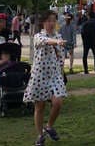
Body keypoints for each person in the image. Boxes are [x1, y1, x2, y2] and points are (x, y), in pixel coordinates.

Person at [24, 11, 67, 146]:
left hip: (54, 75)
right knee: (40, 107)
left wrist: (61, 69)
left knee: (58, 102)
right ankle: (40, 136)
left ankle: (48, 126)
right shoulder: (38, 36)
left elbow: (61, 57)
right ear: (43, 23)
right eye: (48, 20)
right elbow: (44, 42)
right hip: (39, 76)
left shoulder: (58, 36)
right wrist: (56, 42)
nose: (51, 23)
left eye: (53, 20)